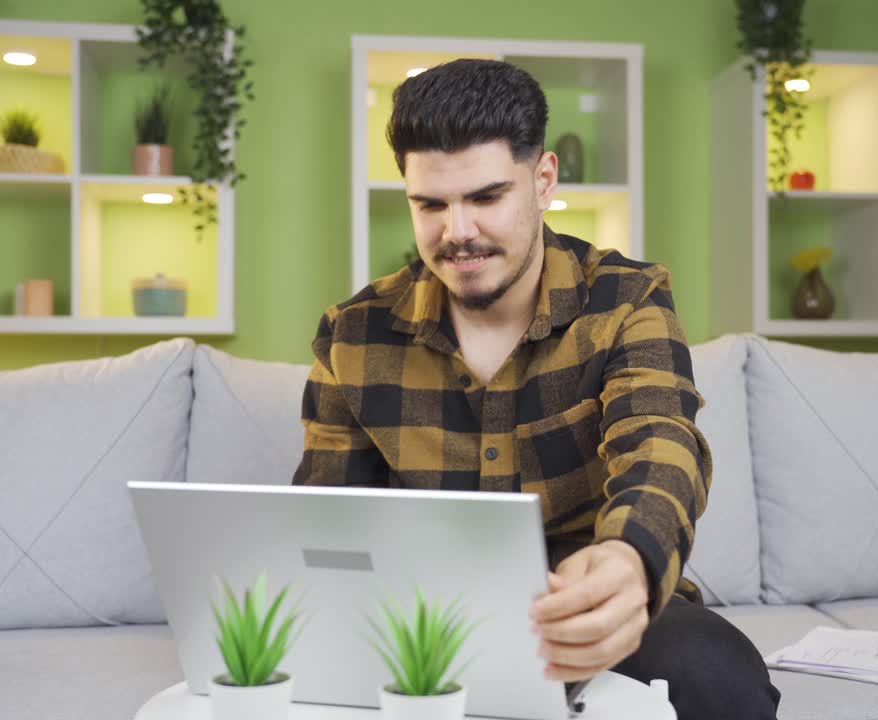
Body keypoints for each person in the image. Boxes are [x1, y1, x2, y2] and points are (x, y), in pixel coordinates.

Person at [293, 58, 780, 720]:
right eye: (430, 204)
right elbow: (327, 519)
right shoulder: (354, 334)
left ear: (543, 179)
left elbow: (660, 444)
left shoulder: (627, 299)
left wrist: (628, 561)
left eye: (486, 197)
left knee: (718, 676)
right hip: (428, 614)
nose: (455, 232)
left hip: (588, 602)